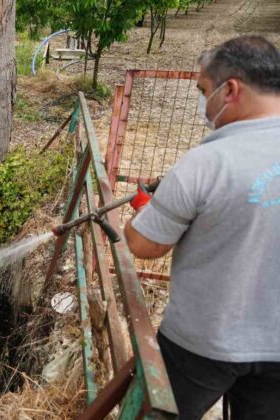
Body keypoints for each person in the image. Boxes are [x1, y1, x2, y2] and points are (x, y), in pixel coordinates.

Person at [124, 35, 280, 420]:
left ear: (230, 89)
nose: (201, 102)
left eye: (203, 90)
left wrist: (144, 211)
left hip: (204, 340)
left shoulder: (206, 162)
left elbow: (145, 245)